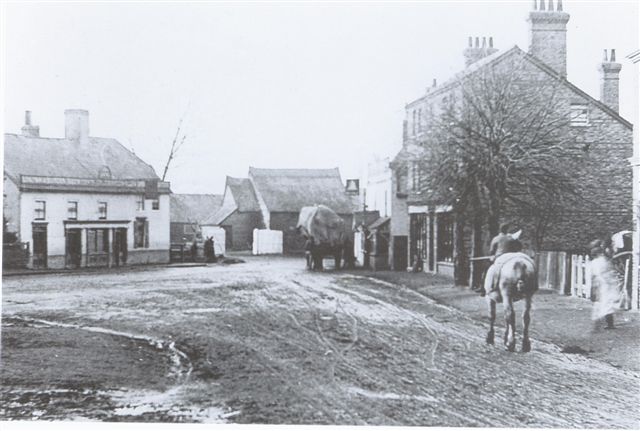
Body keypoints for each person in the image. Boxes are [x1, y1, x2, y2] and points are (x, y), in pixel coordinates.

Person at [481, 223, 523, 300]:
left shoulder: (496, 238)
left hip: (499, 258)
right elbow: (518, 248)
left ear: (499, 230)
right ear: (507, 230)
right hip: (510, 258)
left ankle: (483, 289)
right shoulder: (511, 238)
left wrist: (492, 256)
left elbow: (491, 251)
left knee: (487, 270)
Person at [589, 239, 621, 329]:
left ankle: (600, 323)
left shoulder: (595, 263)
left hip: (602, 284)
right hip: (608, 283)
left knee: (602, 303)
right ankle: (608, 323)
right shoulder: (606, 261)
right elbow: (611, 272)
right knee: (606, 304)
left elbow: (595, 275)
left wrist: (594, 286)